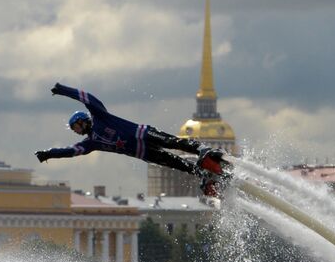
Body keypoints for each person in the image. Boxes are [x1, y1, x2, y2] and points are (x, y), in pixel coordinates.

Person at [34, 83, 227, 195]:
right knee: (174, 162)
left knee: (172, 142)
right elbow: (71, 151)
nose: (76, 131)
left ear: (83, 120)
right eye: (73, 129)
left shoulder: (99, 116)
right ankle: (201, 173)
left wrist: (62, 90)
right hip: (142, 152)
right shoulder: (90, 143)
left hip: (141, 133)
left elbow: (86, 98)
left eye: (76, 126)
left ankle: (201, 149)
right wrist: (49, 153)